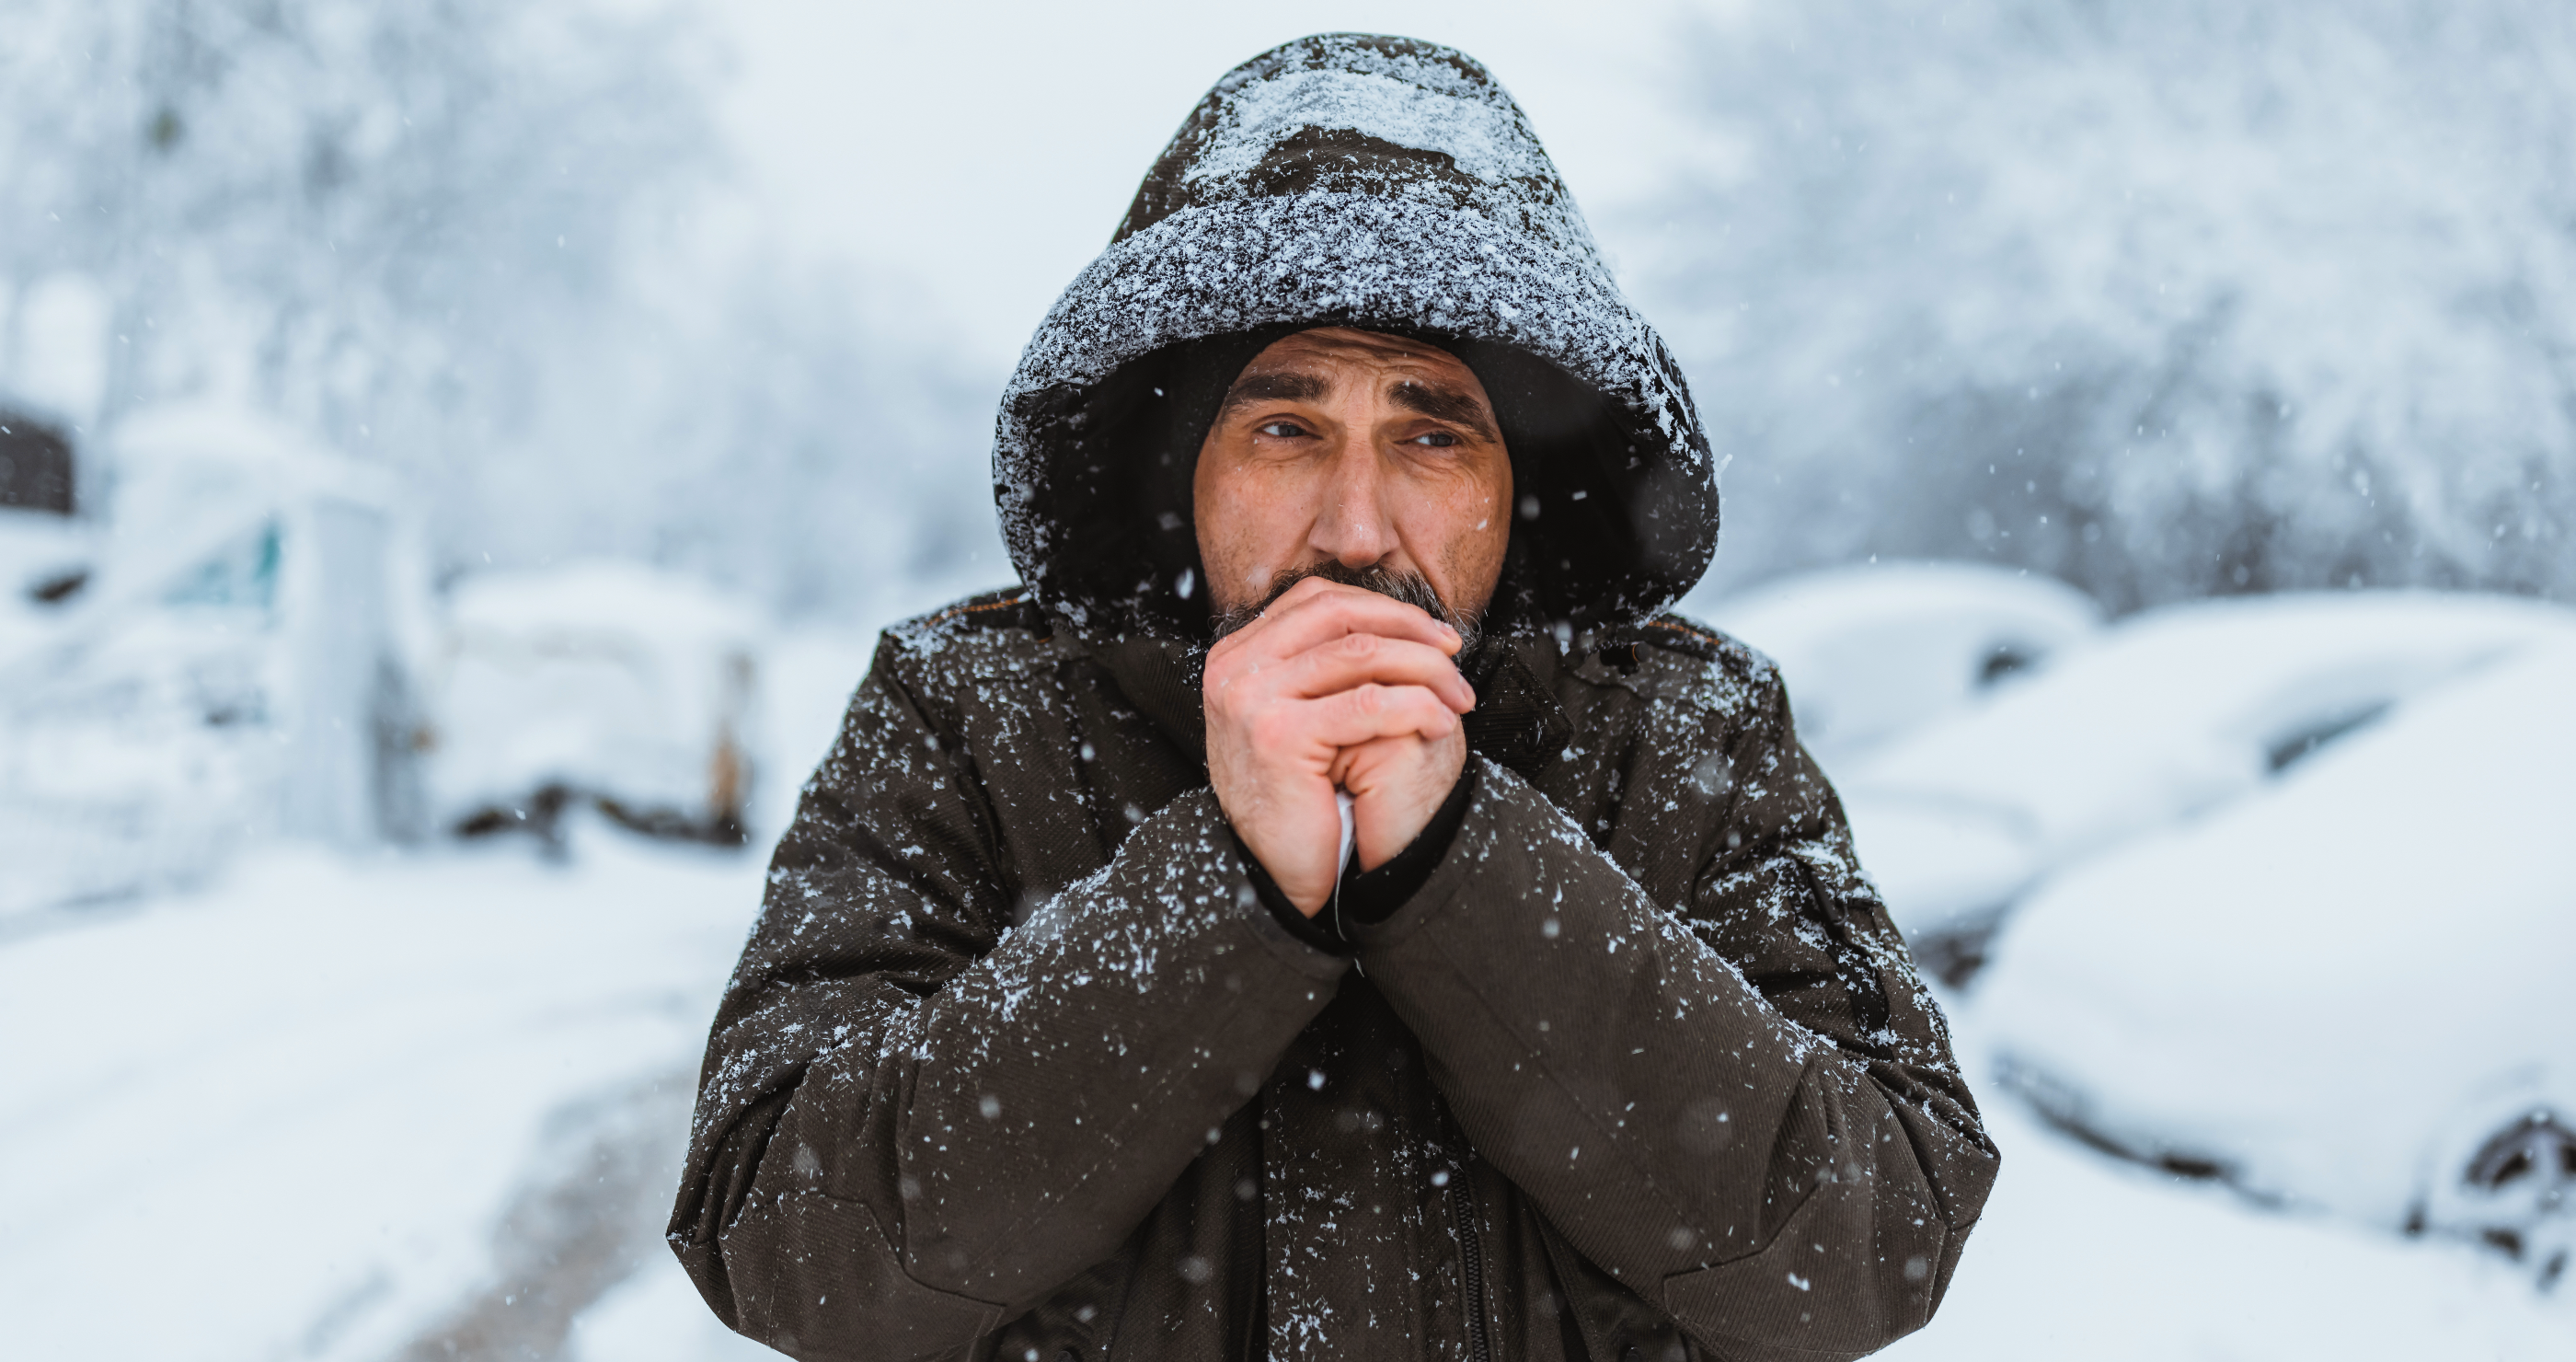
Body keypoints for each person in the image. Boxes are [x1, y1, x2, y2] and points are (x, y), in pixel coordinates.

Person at [670, 33, 1995, 1362]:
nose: (1356, 530)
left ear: (1516, 494)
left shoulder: (1691, 738)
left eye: (1432, 434)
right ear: (1180, 473)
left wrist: (1462, 864)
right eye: (1285, 428)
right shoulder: (971, 718)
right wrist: (1223, 888)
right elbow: (787, 1245)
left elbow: (1877, 1243)